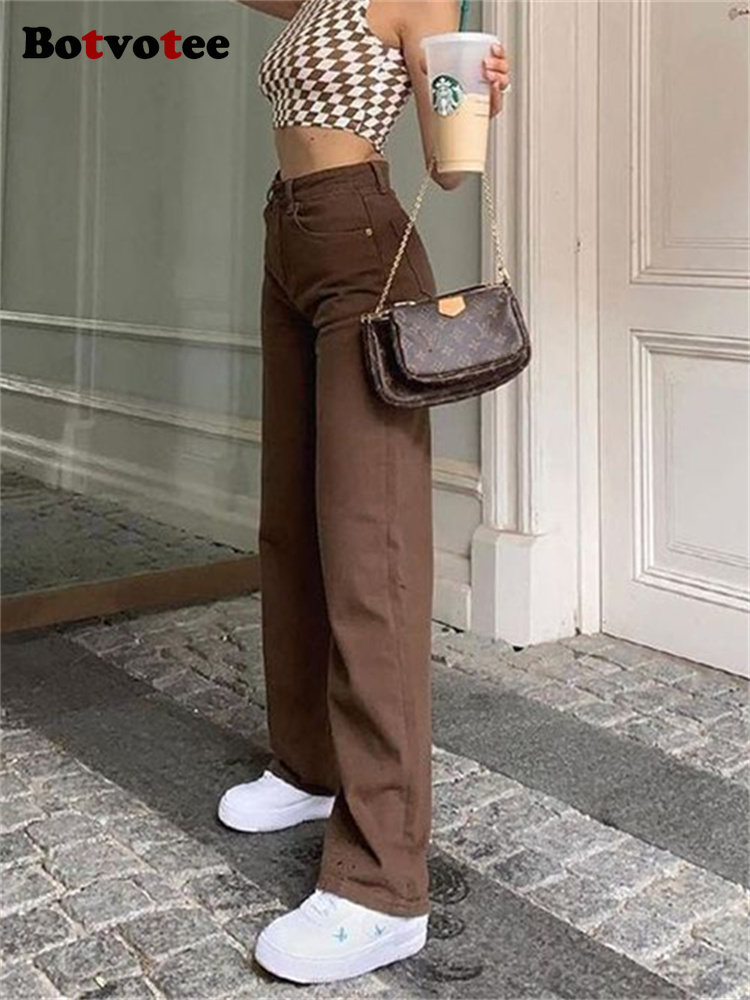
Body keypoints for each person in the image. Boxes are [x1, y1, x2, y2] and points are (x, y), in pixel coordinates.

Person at [218, 0, 510, 984]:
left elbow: (449, 165)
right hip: (289, 239)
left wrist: (476, 95)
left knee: (367, 553)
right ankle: (308, 765)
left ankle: (384, 887)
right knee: (291, 525)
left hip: (362, 248)